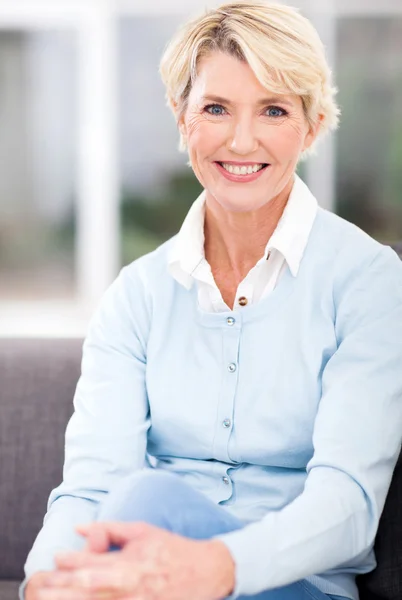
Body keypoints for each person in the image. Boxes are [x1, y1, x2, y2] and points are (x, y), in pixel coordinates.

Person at [23, 2, 402, 599]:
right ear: (181, 118)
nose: (241, 139)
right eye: (216, 108)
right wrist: (45, 584)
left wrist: (218, 566)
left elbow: (348, 504)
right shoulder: (136, 296)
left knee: (144, 500)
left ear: (313, 123)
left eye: (274, 110)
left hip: (295, 586)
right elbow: (91, 491)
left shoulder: (369, 281)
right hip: (145, 581)